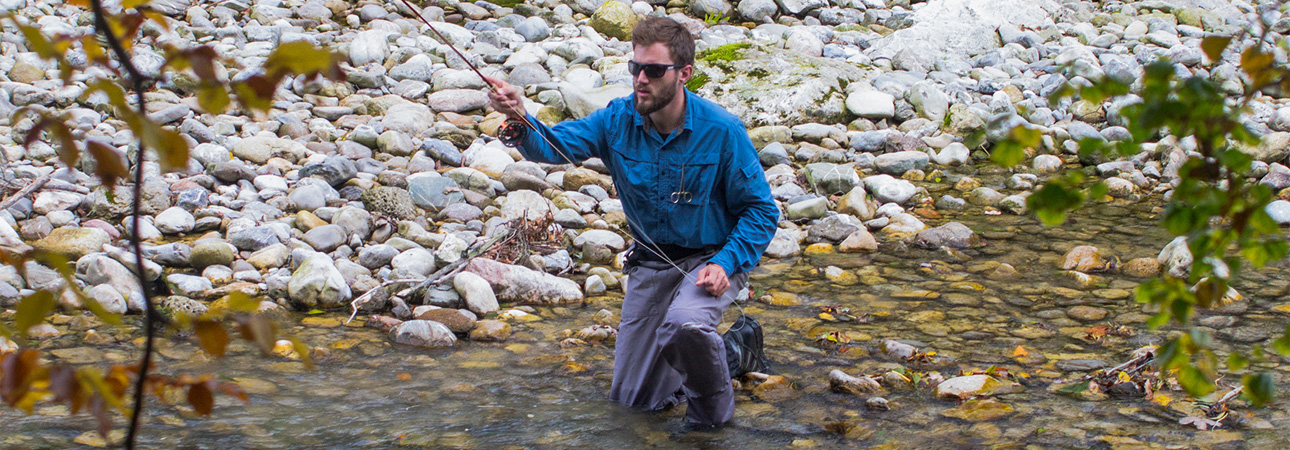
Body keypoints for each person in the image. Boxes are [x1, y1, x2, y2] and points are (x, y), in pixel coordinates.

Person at [484, 17, 778, 430]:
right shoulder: (615, 121)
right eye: (635, 68)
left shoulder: (723, 131)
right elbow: (554, 146)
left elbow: (762, 211)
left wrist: (726, 264)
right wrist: (521, 117)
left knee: (685, 325)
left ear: (684, 74)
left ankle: (710, 428)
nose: (641, 79)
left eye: (654, 71)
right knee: (635, 402)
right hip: (652, 263)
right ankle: (734, 353)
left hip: (711, 260)